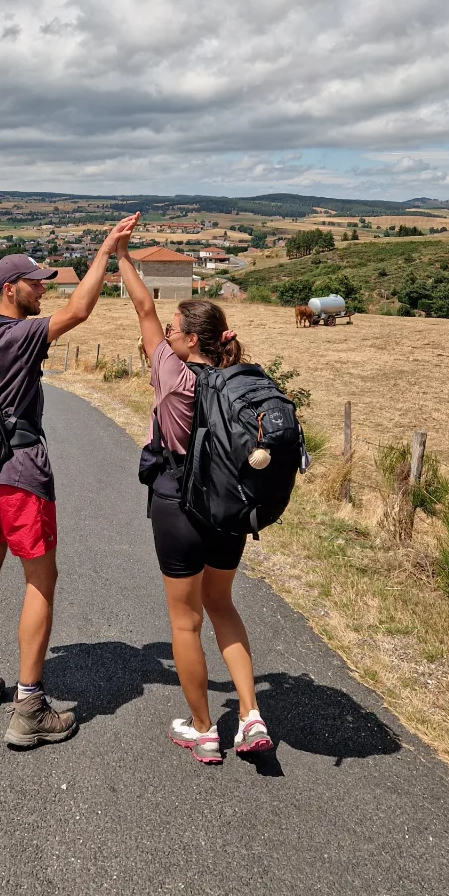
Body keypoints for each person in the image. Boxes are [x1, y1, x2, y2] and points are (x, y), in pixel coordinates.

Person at [0, 213, 141, 748]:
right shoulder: (19, 335)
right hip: (20, 470)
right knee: (40, 581)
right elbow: (80, 309)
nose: (42, 290)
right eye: (36, 283)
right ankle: (29, 706)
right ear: (11, 289)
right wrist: (106, 250)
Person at [117, 237, 272, 764]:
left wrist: (120, 256)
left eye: (174, 330)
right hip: (229, 509)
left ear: (186, 340)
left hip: (178, 506)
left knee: (186, 622)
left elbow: (142, 308)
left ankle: (205, 729)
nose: (167, 334)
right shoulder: (238, 383)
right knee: (222, 604)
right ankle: (250, 716)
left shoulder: (171, 373)